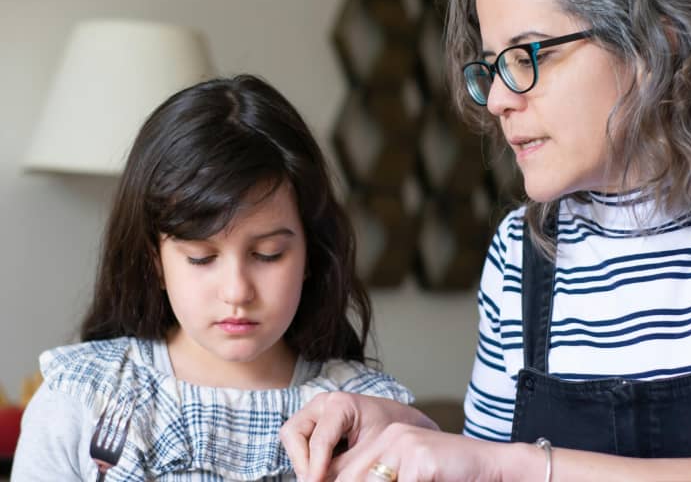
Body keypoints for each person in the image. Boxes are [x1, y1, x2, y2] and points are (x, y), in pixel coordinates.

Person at [279, 0, 691, 481]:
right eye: (492, 65)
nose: (498, 99)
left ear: (659, 45)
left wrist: (525, 466)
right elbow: (490, 459)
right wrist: (399, 429)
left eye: (528, 54)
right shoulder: (519, 249)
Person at [11, 75, 413, 481]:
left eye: (267, 255)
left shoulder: (369, 413)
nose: (237, 291)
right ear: (156, 260)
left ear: (310, 254)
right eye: (201, 258)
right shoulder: (82, 398)